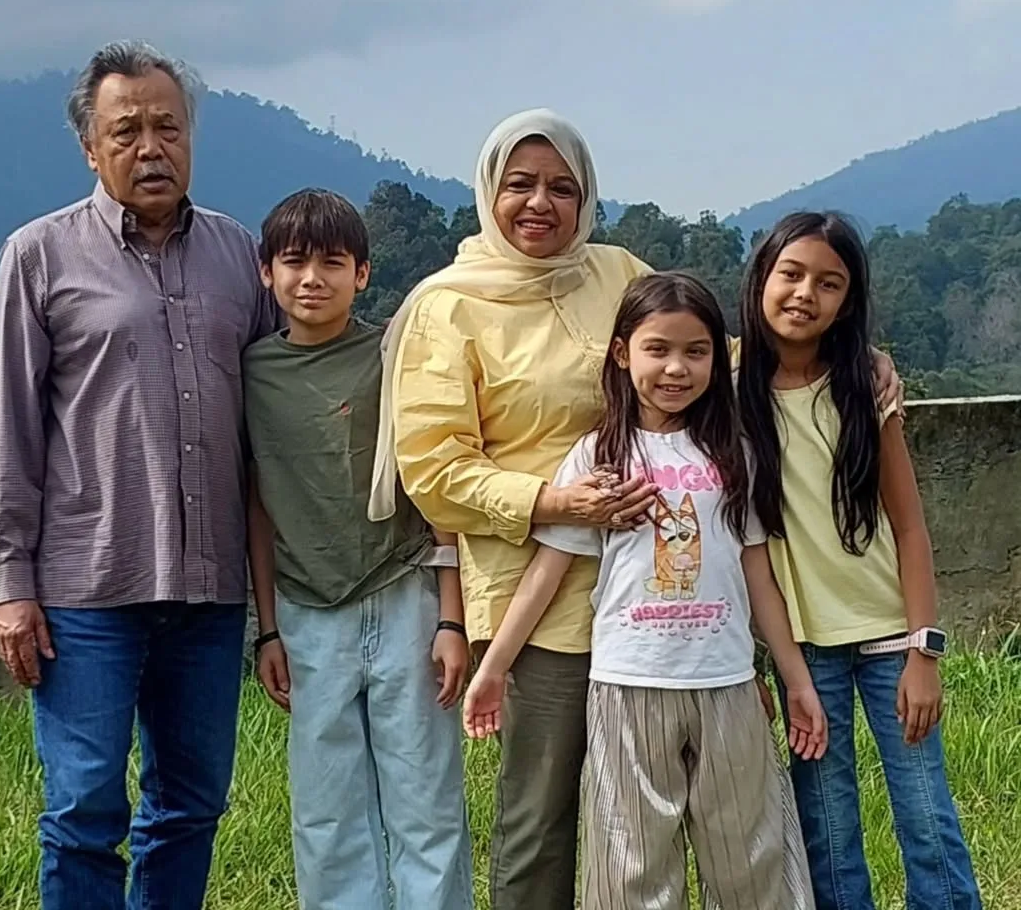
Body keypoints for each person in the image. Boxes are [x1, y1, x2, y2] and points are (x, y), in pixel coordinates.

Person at [373, 108, 903, 910]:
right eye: (521, 184)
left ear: (587, 196)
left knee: (713, 826)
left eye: (562, 187)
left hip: (683, 622)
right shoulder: (447, 307)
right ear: (488, 191)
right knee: (544, 820)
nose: (540, 203)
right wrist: (558, 501)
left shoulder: (613, 270)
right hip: (543, 598)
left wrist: (843, 356)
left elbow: (702, 347)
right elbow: (434, 468)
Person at [0, 41, 276, 909]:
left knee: (191, 804)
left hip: (208, 593)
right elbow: (8, 430)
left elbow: (276, 410)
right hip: (85, 591)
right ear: (90, 147)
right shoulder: (39, 255)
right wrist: (8, 586)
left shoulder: (237, 254)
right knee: (83, 810)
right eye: (128, 131)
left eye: (168, 128)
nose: (152, 148)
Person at [463, 271, 823, 908]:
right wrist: (493, 668)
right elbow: (548, 570)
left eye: (696, 351)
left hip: (726, 683)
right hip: (627, 685)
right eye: (658, 349)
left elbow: (757, 574)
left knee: (752, 859)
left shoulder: (735, 454)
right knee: (630, 869)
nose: (676, 368)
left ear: (717, 358)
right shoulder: (598, 456)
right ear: (622, 353)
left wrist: (795, 681)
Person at [738, 211, 982, 910]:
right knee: (828, 825)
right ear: (761, 278)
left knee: (927, 814)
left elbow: (910, 529)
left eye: (829, 283)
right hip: (804, 651)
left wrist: (924, 652)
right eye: (790, 274)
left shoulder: (864, 390)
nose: (804, 293)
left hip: (890, 640)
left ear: (848, 303)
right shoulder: (728, 391)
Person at [244, 189, 474, 909]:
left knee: (426, 801)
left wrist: (452, 617)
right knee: (326, 811)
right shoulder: (250, 373)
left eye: (333, 263)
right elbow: (256, 503)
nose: (312, 279)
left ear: (363, 274)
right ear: (266, 273)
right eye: (294, 262)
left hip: (405, 593)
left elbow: (434, 482)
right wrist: (268, 629)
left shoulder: (394, 359)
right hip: (306, 611)